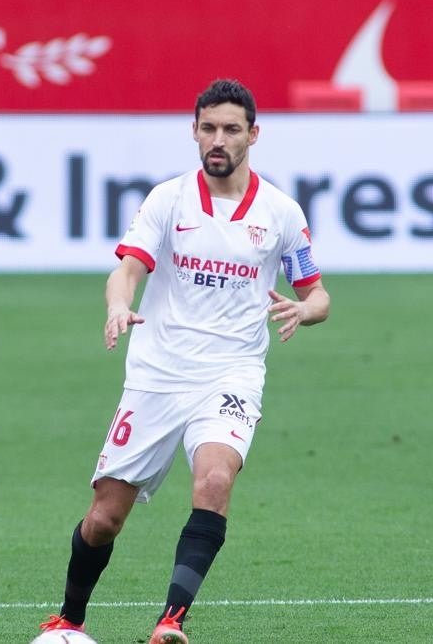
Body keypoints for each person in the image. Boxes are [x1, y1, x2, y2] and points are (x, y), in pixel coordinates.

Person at [38, 79, 330, 644]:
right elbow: (128, 268)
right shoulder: (167, 199)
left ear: (253, 134)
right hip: (157, 376)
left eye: (231, 129)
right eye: (208, 128)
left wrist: (305, 310)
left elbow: (318, 292)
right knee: (104, 519)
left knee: (215, 480)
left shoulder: (281, 213)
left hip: (232, 374)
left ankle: (170, 622)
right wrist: (119, 305)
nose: (218, 139)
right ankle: (70, 617)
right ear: (194, 131)